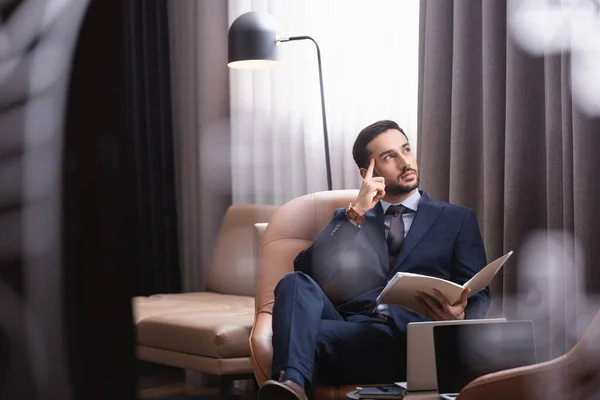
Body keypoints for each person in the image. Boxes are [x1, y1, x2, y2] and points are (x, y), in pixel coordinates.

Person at [258, 120, 490, 400]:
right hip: (351, 334)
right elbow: (307, 273)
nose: (405, 162)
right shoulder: (350, 218)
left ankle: (292, 378)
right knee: (294, 284)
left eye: (406, 150)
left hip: (412, 342)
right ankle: (291, 387)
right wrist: (355, 213)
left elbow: (480, 294)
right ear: (367, 172)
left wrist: (461, 317)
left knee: (296, 341)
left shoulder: (456, 218)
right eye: (389, 156)